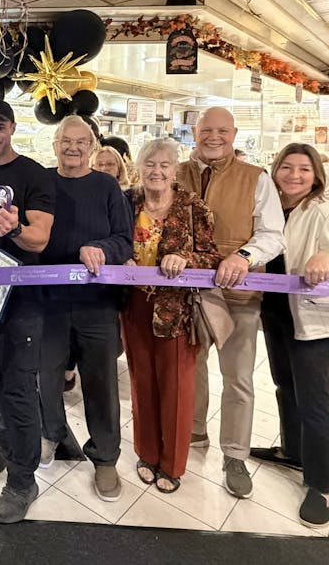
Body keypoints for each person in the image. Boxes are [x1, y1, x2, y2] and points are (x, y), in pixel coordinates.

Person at [248, 144, 329, 527]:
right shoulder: (271, 209)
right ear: (274, 170)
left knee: (315, 400)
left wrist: (328, 260)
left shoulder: (325, 212)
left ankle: (325, 483)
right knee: (285, 386)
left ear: (317, 176)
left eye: (304, 169)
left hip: (315, 319)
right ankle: (293, 450)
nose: (294, 175)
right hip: (277, 314)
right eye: (287, 167)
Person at [177, 107, 284, 499]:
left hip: (238, 294)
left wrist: (244, 256)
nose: (214, 137)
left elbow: (274, 234)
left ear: (234, 134)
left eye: (223, 130)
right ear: (194, 132)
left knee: (238, 377)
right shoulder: (176, 172)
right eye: (207, 130)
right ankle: (194, 431)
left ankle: (235, 454)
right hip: (186, 292)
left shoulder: (256, 178)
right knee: (192, 368)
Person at [0, 99, 55, 524]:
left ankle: (23, 480)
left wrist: (15, 229)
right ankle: (6, 441)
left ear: (12, 129)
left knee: (20, 385)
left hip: (24, 300)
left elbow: (39, 238)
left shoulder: (34, 175)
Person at [38, 116, 132, 500]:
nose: (73, 147)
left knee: (101, 383)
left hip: (98, 304)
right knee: (45, 376)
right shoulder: (41, 183)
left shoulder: (107, 186)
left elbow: (124, 240)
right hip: (49, 301)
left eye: (81, 141)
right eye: (66, 140)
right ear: (55, 145)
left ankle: (105, 458)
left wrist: (101, 249)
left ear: (92, 147)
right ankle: (49, 434)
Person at [123, 138, 222, 494]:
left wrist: (185, 259)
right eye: (150, 164)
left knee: (176, 386)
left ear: (175, 170)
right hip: (133, 304)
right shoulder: (126, 201)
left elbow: (211, 256)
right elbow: (114, 239)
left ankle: (172, 463)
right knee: (142, 381)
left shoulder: (193, 207)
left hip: (177, 309)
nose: (157, 171)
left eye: (164, 165)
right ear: (138, 167)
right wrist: (121, 256)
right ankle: (147, 453)